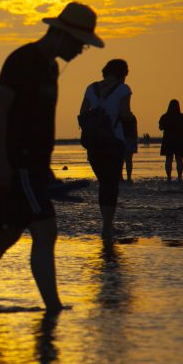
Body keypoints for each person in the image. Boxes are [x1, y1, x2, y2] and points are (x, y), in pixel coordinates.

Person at [0, 1, 104, 313]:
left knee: (5, 235)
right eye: (79, 44)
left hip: (34, 165)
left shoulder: (49, 68)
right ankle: (53, 307)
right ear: (61, 35)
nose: (80, 51)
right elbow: (0, 109)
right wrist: (3, 161)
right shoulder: (22, 60)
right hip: (18, 163)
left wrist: (45, 169)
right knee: (45, 231)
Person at [79, 58, 134, 238]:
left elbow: (82, 113)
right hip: (114, 142)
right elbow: (125, 115)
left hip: (94, 143)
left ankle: (107, 226)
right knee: (111, 184)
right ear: (122, 74)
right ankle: (107, 227)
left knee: (104, 183)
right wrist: (131, 119)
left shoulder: (91, 88)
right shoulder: (123, 89)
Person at [158, 99, 183, 182]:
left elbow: (160, 128)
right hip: (179, 140)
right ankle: (179, 177)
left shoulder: (164, 116)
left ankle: (169, 177)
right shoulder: (181, 116)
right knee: (179, 159)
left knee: (168, 159)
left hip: (168, 140)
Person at [124, 114, 138, 183]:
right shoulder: (132, 117)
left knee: (120, 160)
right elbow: (135, 129)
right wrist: (135, 139)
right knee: (129, 160)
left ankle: (120, 177)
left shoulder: (118, 115)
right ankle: (129, 177)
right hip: (130, 139)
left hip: (121, 139)